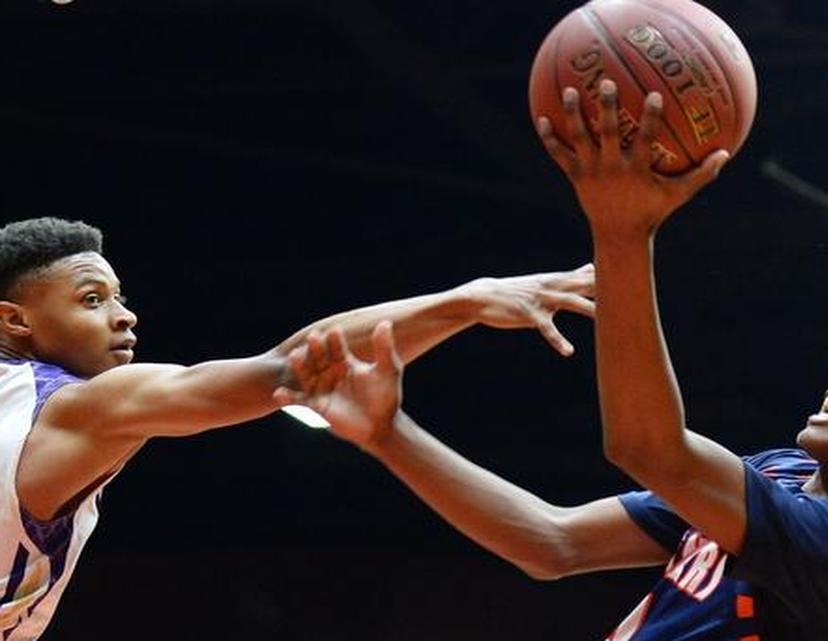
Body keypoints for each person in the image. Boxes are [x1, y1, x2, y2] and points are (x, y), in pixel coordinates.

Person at [278, 78, 828, 641]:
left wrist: (625, 232)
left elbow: (649, 448)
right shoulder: (785, 473)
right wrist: (388, 432)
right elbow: (550, 542)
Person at [0, 216, 595, 641]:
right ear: (15, 320)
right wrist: (468, 301)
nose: (124, 313)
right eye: (92, 299)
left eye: (117, 296)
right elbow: (293, 369)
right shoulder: (73, 408)